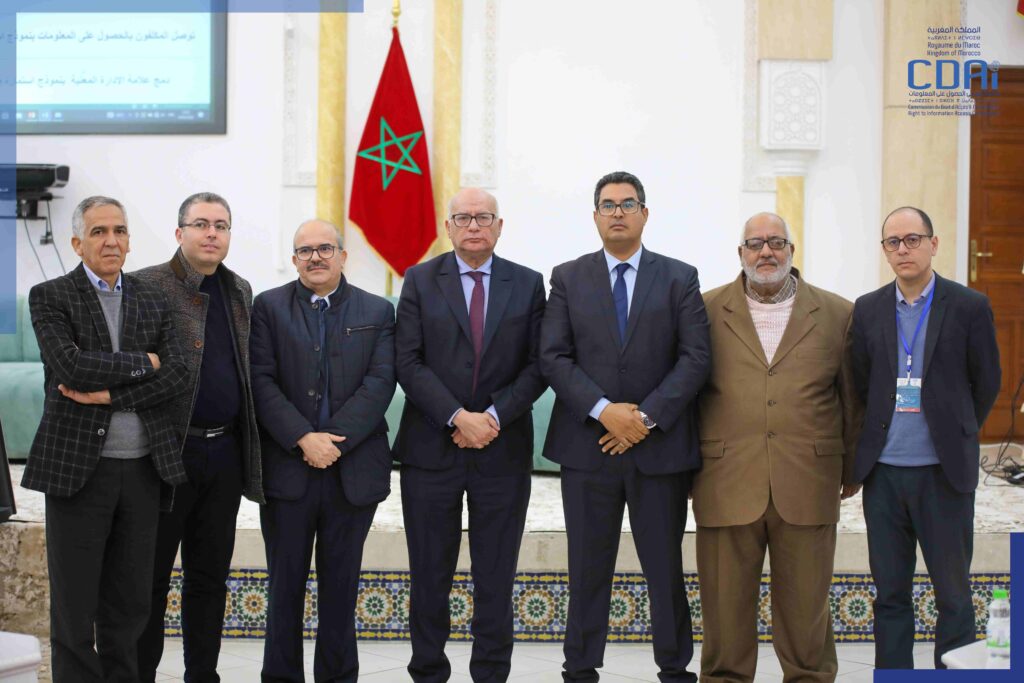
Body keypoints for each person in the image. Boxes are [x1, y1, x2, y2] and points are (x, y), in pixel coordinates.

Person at [540, 171, 710, 682]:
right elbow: (553, 356)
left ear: (645, 214)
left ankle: (675, 670)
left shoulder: (679, 277)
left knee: (664, 568)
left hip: (659, 451)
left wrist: (643, 418)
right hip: (588, 448)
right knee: (587, 566)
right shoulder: (568, 277)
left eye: (628, 203)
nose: (618, 212)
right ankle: (580, 669)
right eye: (608, 205)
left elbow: (696, 358)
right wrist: (603, 410)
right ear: (595, 216)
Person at [23, 195, 189, 681]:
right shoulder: (51, 296)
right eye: (98, 232)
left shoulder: (153, 298)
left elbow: (177, 372)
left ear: (129, 241)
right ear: (77, 243)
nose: (111, 241)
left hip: (143, 470)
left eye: (119, 231)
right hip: (78, 471)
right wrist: (144, 363)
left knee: (130, 605)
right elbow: (71, 367)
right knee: (74, 607)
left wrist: (109, 395)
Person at [693, 212, 862, 683]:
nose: (765, 252)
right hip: (724, 481)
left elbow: (852, 399)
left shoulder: (838, 313)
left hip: (809, 482)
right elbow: (688, 395)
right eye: (755, 244)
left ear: (791, 250)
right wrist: (685, 470)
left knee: (808, 614)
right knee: (724, 614)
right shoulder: (704, 310)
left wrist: (851, 469)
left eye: (775, 242)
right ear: (740, 253)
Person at [394, 187, 547, 682]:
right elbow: (407, 362)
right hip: (430, 450)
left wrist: (492, 417)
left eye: (484, 217)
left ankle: (491, 673)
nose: (474, 226)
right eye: (463, 218)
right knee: (429, 573)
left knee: (496, 575)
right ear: (448, 227)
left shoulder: (528, 283)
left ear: (500, 226)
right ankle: (427, 672)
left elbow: (539, 364)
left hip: (503, 451)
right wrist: (458, 416)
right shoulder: (419, 280)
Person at [850, 206, 1001, 669]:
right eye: (893, 242)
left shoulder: (969, 306)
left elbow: (987, 382)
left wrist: (956, 429)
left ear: (933, 244)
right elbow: (859, 382)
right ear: (884, 251)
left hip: (943, 475)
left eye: (912, 239)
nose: (903, 249)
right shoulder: (868, 308)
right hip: (884, 476)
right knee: (890, 595)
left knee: (953, 595)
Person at [250, 219, 396, 683]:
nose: (315, 257)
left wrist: (331, 440)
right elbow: (260, 380)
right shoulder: (267, 307)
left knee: (341, 590)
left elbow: (380, 383)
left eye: (325, 248)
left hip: (351, 474)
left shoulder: (378, 310)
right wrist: (303, 438)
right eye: (305, 250)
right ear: (294, 260)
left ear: (343, 256)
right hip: (287, 471)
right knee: (284, 590)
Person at [135, 192, 265, 682]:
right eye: (202, 224)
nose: (212, 233)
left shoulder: (239, 290)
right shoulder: (146, 285)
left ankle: (202, 675)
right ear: (180, 232)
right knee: (150, 578)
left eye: (221, 225)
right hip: (165, 454)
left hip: (224, 454)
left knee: (209, 577)